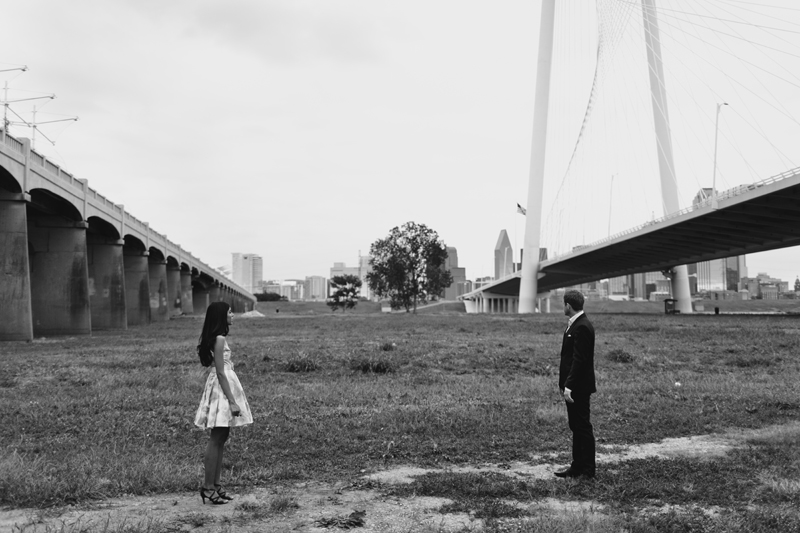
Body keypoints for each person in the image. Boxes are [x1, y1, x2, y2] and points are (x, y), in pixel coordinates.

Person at [194, 301, 253, 504]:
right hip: (221, 389)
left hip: (222, 386)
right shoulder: (219, 339)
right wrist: (232, 401)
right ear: (221, 316)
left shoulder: (219, 338)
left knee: (222, 436)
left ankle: (215, 485)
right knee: (216, 437)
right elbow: (220, 371)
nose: (233, 315)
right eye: (230, 312)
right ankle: (208, 486)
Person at [554, 290, 597, 479]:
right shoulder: (575, 324)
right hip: (573, 386)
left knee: (583, 427)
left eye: (563, 305)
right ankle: (577, 466)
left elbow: (579, 360)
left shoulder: (582, 326)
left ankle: (588, 470)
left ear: (568, 306)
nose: (563, 307)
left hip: (578, 387)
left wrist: (569, 385)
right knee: (576, 426)